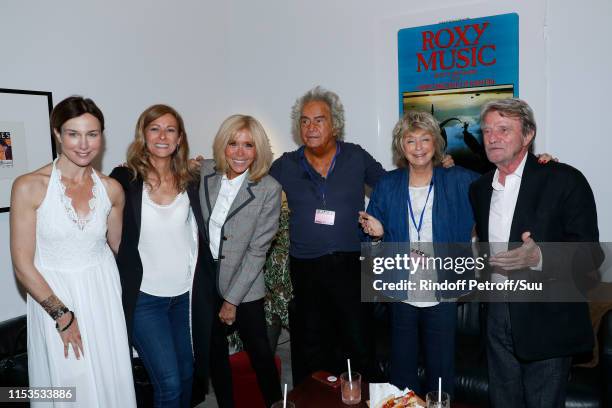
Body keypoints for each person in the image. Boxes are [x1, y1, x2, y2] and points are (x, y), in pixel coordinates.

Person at [469, 98, 604, 408]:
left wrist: (539, 257)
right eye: (487, 130)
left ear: (528, 135)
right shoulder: (478, 188)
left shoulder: (564, 180)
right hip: (495, 315)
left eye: (504, 129)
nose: (492, 137)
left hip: (547, 317)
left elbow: (592, 255)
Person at [9, 96, 136, 407]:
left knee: (110, 381)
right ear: (57, 133)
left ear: (102, 136)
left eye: (92, 134)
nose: (84, 144)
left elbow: (120, 249)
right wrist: (62, 315)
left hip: (103, 298)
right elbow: (22, 263)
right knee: (70, 387)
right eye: (73, 134)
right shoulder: (29, 186)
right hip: (54, 299)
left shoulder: (111, 189)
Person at [269, 86, 386, 384]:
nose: (311, 127)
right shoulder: (285, 165)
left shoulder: (356, 156)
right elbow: (252, 188)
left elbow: (391, 186)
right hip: (305, 268)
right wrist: (204, 170)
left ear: (335, 124)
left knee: (359, 344)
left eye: (319, 120)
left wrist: (437, 168)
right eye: (305, 121)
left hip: (351, 264)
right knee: (311, 348)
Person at [359, 110, 478, 397]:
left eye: (425, 139)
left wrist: (540, 164)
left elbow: (502, 184)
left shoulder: (458, 180)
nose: (419, 147)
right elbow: (370, 248)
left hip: (443, 290)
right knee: (401, 373)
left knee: (441, 373)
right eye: (410, 141)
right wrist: (377, 236)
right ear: (401, 147)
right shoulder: (387, 185)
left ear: (436, 143)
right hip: (401, 291)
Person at [110, 104, 215, 408]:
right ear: (143, 134)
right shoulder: (124, 178)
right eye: (154, 128)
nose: (162, 136)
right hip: (145, 299)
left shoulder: (190, 179)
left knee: (186, 375)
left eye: (170, 129)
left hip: (184, 297)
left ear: (180, 138)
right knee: (167, 383)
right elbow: (110, 235)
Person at [200, 114, 282, 408]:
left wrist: (232, 300)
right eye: (233, 143)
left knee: (260, 351)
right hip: (206, 278)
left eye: (248, 145)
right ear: (222, 145)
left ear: (258, 150)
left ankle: (274, 402)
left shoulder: (268, 188)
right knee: (215, 352)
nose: (239, 152)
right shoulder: (205, 172)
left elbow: (258, 250)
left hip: (245, 285)